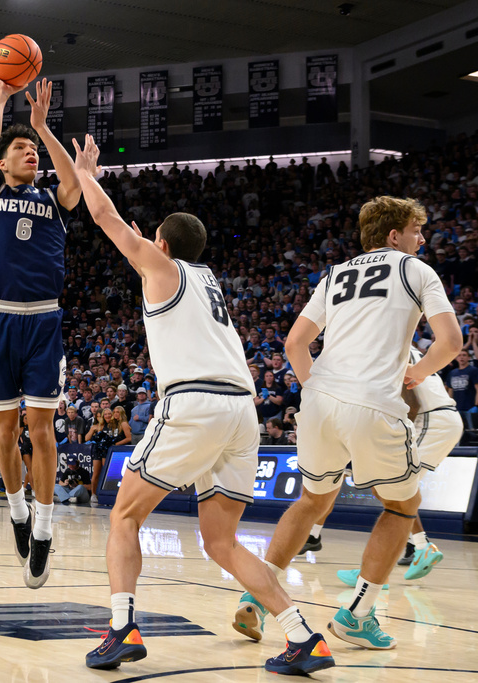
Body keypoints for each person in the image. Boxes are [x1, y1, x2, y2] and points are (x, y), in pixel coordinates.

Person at [73, 134, 333, 675]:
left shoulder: (161, 270)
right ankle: (303, 636)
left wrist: (88, 174)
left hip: (195, 404)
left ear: (160, 246)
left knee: (124, 516)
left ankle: (122, 628)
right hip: (242, 412)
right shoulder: (204, 278)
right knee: (221, 541)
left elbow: (104, 217)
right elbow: (143, 245)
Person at [231, 194, 460, 652]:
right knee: (401, 506)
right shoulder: (416, 270)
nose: (422, 238)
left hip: (317, 403)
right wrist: (417, 373)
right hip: (372, 402)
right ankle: (357, 615)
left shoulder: (335, 274)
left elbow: (296, 343)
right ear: (394, 235)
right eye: (416, 231)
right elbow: (451, 341)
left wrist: (316, 388)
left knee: (313, 501)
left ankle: (258, 596)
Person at [0, 68, 80, 587]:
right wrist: (1, 94)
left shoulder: (54, 204)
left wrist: (43, 125)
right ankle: (16, 510)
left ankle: (43, 527)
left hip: (43, 321)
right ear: (3, 163)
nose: (28, 152)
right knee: (6, 430)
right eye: (22, 149)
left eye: (32, 150)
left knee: (41, 430)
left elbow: (76, 183)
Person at [392, 344, 464, 580]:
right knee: (399, 488)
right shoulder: (404, 345)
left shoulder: (390, 349)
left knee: (393, 486)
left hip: (431, 419)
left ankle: (416, 549)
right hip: (441, 417)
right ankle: (415, 545)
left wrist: (400, 432)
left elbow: (412, 404)